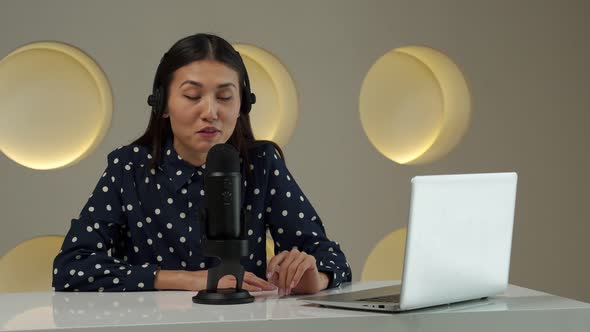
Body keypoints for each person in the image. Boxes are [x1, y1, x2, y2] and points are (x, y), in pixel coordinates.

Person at [52, 33, 351, 296]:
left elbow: (330, 258)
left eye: (225, 97)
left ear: (242, 105)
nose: (211, 112)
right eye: (192, 96)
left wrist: (316, 277)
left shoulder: (260, 165)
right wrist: (189, 280)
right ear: (162, 104)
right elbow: (72, 266)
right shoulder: (128, 168)